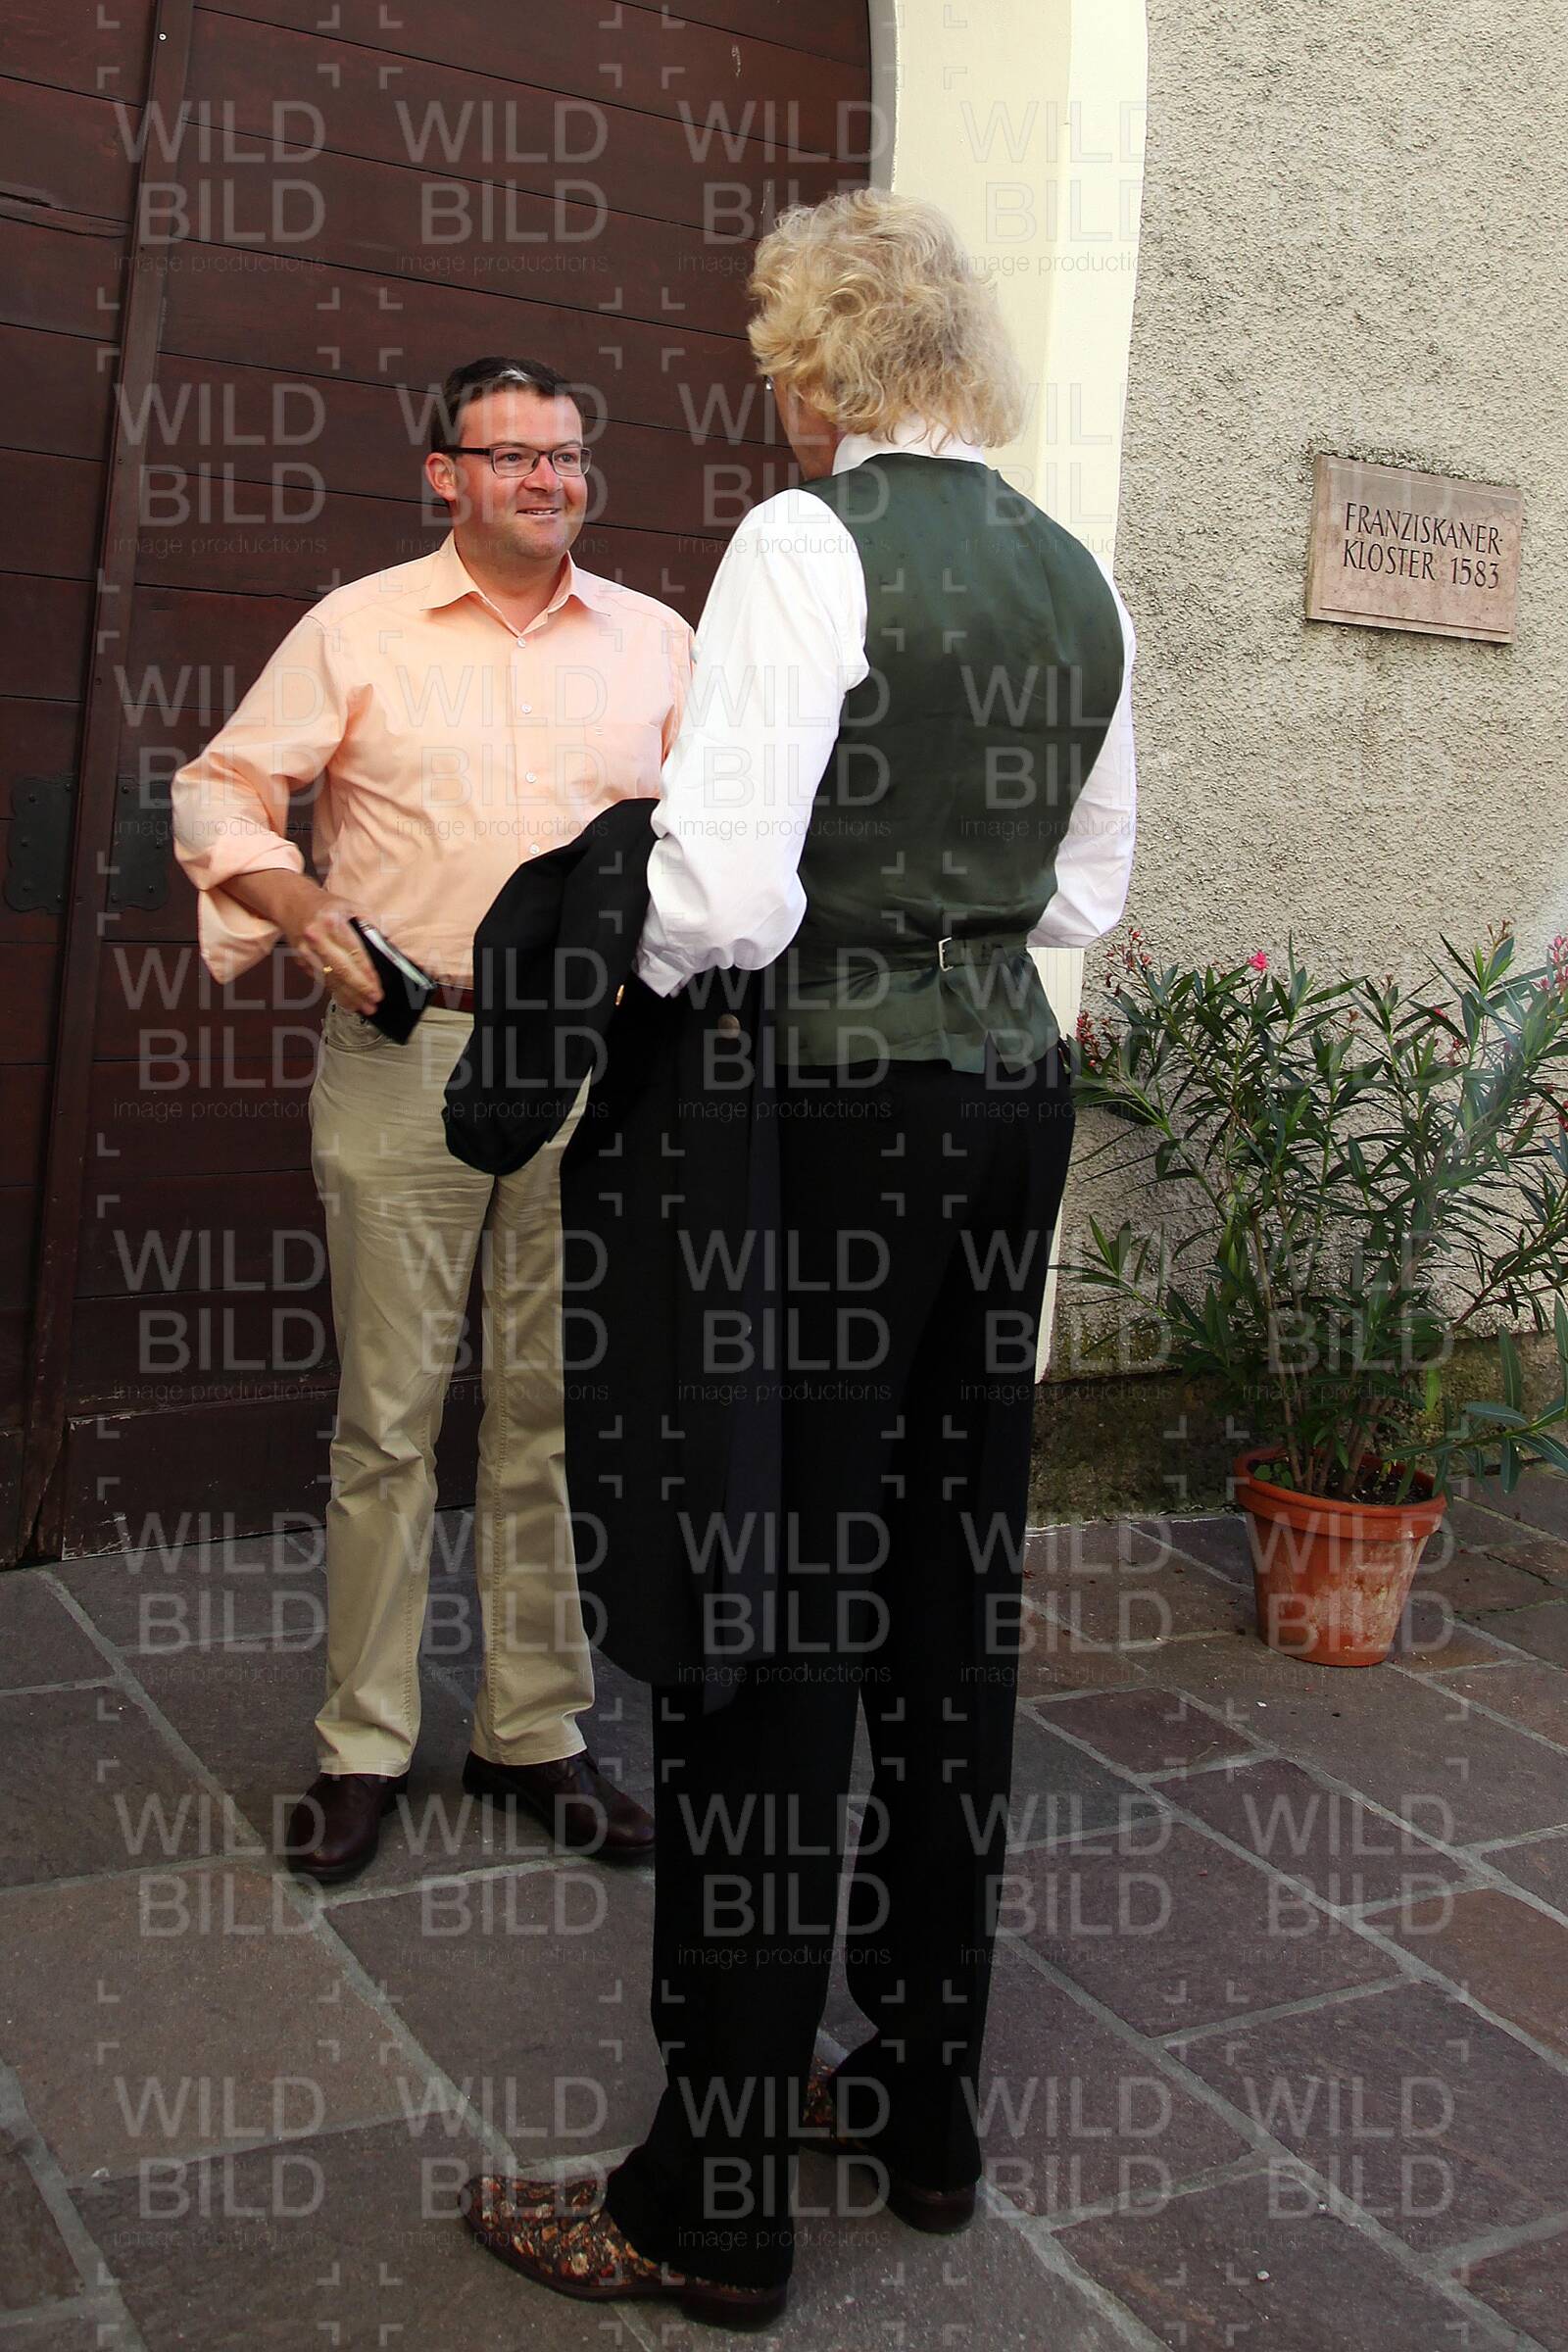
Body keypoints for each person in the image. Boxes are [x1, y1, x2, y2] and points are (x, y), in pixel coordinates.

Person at [459, 191, 1137, 2328]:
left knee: (764, 1612)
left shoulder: (802, 543)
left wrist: (605, 950)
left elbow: (726, 897)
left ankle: (710, 2205)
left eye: (775, 355)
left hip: (820, 1130)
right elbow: (1081, 896)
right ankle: (920, 2111)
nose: (771, 392)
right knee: (946, 1603)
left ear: (820, 364)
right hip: (1006, 1109)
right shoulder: (1078, 572)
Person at [170, 358, 690, 1883]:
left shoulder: (660, 642)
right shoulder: (358, 627)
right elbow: (216, 792)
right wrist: (295, 901)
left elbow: (724, 839)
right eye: (511, 455)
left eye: (566, 455)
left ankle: (533, 1730)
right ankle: (363, 1745)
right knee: (389, 1421)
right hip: (413, 1050)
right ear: (443, 474)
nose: (547, 479)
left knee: (554, 1414)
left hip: (593, 1062)